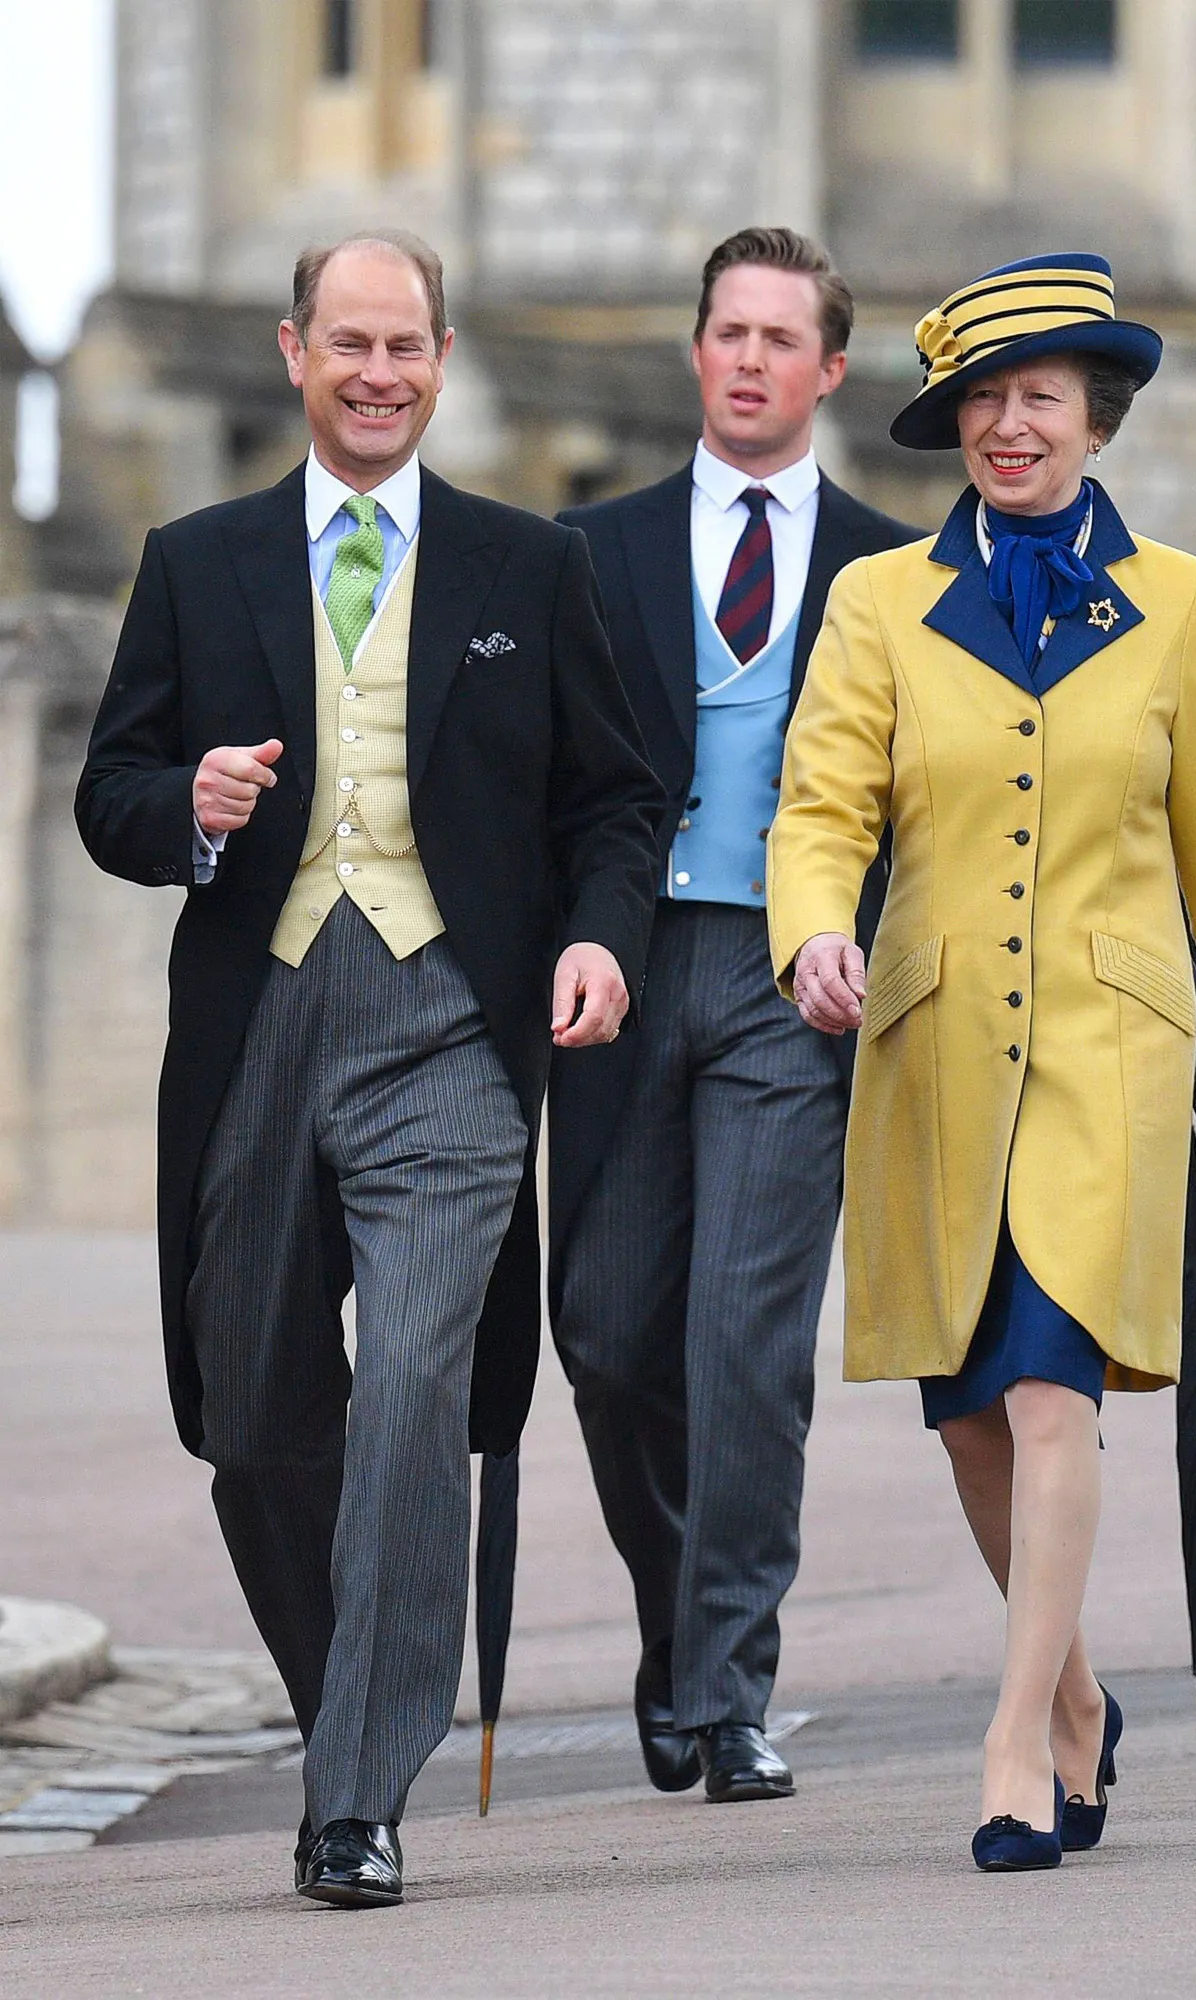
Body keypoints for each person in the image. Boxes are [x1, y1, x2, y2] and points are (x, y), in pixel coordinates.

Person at [75, 230, 661, 1905]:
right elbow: (106, 789)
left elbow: (614, 802)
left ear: (444, 358)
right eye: (351, 344)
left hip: (450, 1030)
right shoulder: (196, 560)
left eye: (407, 345)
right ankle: (351, 1693)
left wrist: (598, 936)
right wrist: (183, 805)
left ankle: (356, 1792)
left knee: (411, 1384)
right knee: (254, 1412)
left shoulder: (526, 569)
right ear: (293, 353)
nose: (380, 373)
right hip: (261, 1022)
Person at [767, 253, 1196, 1870]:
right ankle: (1072, 1697)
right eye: (985, 402)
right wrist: (809, 932)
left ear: (1097, 417)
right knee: (970, 1418)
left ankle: (1010, 1744)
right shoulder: (874, 603)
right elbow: (819, 809)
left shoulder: (1188, 605)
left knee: (1055, 1388)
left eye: (1043, 400)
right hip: (927, 1050)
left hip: (1109, 1053)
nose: (1012, 428)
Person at [548, 227, 916, 1803]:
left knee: (744, 1345)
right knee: (613, 1335)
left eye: (784, 337)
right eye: (728, 333)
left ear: (828, 369)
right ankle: (670, 1620)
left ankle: (729, 1687)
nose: (752, 359)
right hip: (623, 974)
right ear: (695, 354)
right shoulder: (586, 549)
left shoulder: (896, 566)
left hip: (793, 983)